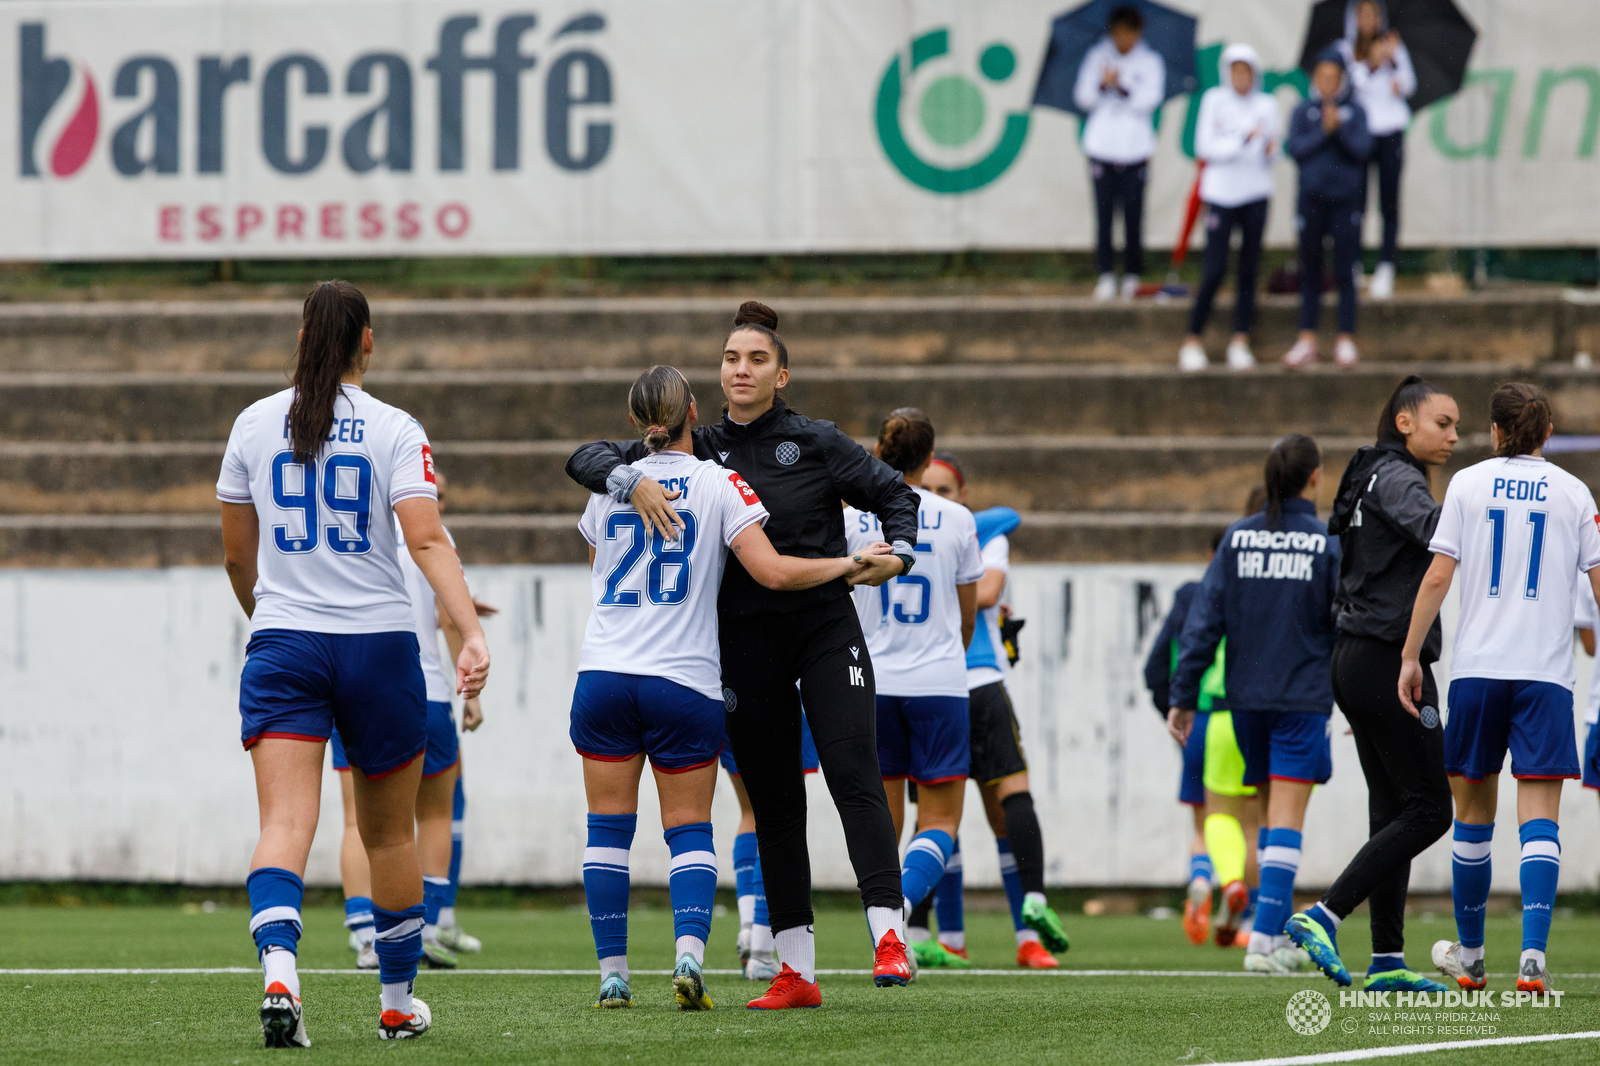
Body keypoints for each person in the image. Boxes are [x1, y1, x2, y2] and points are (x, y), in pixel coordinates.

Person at [565, 303, 919, 1010]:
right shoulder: (698, 453)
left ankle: (889, 932)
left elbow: (892, 492)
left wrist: (900, 555)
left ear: (781, 375)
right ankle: (795, 968)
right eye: (731, 358)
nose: (742, 368)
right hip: (744, 643)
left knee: (854, 770)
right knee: (775, 800)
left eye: (756, 359)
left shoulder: (816, 440)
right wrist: (624, 477)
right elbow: (586, 457)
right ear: (714, 380)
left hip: (823, 627)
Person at [216, 280, 490, 1045]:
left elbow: (239, 559)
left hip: (285, 642)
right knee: (391, 836)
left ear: (302, 339)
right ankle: (397, 1003)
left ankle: (280, 974)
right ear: (368, 342)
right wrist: (469, 631)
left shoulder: (252, 423)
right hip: (378, 645)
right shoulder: (396, 427)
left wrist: (273, 620)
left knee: (284, 824)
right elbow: (427, 540)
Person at [1400, 383, 1600, 996]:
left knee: (1473, 813)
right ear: (1544, 436)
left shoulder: (1467, 484)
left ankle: (1473, 956)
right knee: (1539, 815)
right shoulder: (1574, 492)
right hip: (1545, 676)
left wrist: (1410, 655)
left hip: (1479, 670)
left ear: (1494, 431)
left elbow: (1438, 575)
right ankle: (1533, 958)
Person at [1284, 376, 1458, 992]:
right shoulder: (1401, 479)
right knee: (1432, 809)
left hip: (1355, 656)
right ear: (1405, 422)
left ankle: (1386, 959)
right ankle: (1325, 913)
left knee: (1392, 810)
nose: (1454, 436)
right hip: (1388, 661)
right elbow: (1443, 535)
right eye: (1443, 422)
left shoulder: (1369, 472)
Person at [1168, 435, 1339, 975]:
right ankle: (1263, 941)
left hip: (1244, 702)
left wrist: (1184, 694)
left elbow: (1204, 621)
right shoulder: (1328, 541)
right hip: (1301, 698)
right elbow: (1346, 623)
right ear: (1314, 479)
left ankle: (1270, 930)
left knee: (1267, 817)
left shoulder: (1238, 540)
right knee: (1284, 820)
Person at [912, 453, 1071, 969]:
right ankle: (941, 937)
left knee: (1006, 803)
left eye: (947, 488)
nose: (935, 496)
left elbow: (988, 592)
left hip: (975, 682)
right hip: (932, 686)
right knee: (939, 816)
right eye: (927, 486)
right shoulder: (939, 530)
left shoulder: (972, 532)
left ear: (963, 497)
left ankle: (1029, 929)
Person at [332, 469, 493, 972]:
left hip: (357, 686)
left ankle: (365, 935)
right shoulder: (436, 538)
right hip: (426, 690)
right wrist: (472, 692)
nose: (439, 504)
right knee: (433, 817)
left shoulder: (355, 528)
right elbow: (449, 616)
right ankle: (420, 928)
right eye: (435, 495)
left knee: (359, 820)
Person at [843, 412, 984, 984]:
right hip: (939, 683)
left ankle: (887, 933)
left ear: (877, 450)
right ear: (931, 461)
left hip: (873, 680)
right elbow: (968, 617)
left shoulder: (853, 518)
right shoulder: (956, 518)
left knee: (886, 822)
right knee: (942, 820)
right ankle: (897, 929)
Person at [1178, 44, 1280, 373]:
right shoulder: (1214, 100)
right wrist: (1242, 140)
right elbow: (1203, 147)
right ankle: (1193, 338)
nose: (1241, 77)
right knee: (1214, 269)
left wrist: (1266, 146)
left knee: (1248, 269)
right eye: (1236, 71)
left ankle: (1240, 340)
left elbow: (1274, 154)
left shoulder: (1266, 104)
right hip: (1221, 195)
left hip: (1255, 194)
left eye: (1247, 71)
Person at [1284, 48, 1372, 369]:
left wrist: (1339, 129)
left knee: (1345, 269)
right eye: (1322, 77)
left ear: (1342, 79)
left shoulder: (1356, 112)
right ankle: (1307, 338)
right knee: (1310, 270)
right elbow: (1294, 149)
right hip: (1311, 202)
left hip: (1345, 201)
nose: (1327, 82)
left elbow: (1363, 150)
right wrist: (1324, 131)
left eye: (1333, 77)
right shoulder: (1303, 111)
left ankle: (1345, 337)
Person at [1072, 4, 1165, 302]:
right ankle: (1106, 274)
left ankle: (1132, 275)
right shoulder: (1096, 56)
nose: (1122, 39)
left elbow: (1149, 100)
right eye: (1117, 33)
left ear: (1138, 33)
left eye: (1128, 33)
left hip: (1136, 150)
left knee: (1133, 216)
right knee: (1104, 215)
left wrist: (1121, 85)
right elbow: (1083, 97)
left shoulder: (1150, 61)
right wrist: (1102, 84)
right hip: (1102, 148)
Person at [725, 713, 819, 982]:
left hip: (734, 701)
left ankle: (747, 925)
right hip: (783, 703)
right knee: (778, 818)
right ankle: (761, 951)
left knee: (750, 812)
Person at [1340, 0, 1415, 301]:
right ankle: (1354, 265)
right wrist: (1371, 63)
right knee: (1356, 204)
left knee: (1389, 203)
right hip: (1360, 135)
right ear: (1355, 18)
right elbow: (1345, 88)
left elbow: (1408, 85)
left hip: (1390, 135)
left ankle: (1386, 266)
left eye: (1373, 14)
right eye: (1362, 14)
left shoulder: (1395, 47)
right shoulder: (1346, 50)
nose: (1368, 19)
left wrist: (1392, 60)